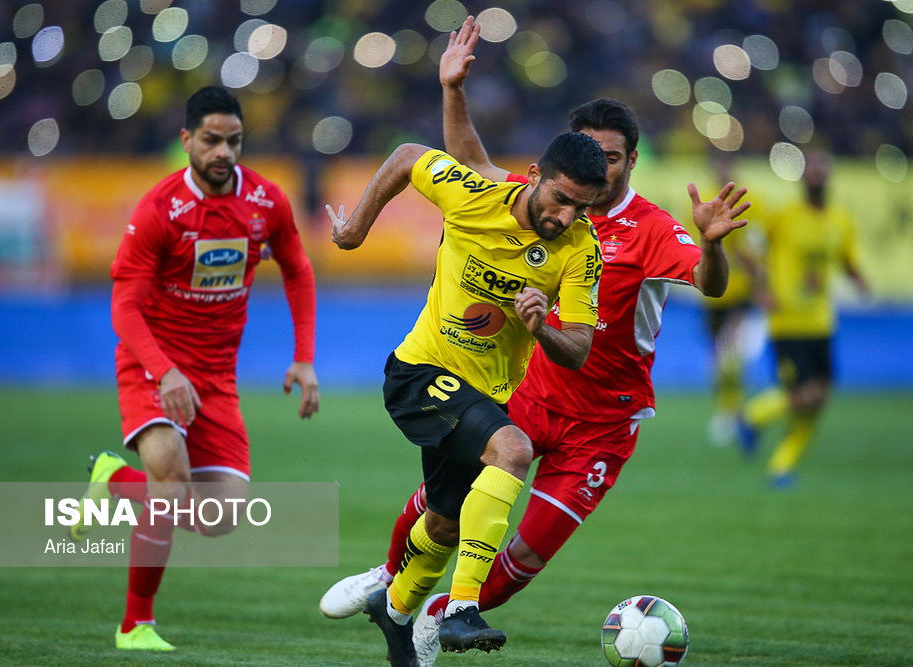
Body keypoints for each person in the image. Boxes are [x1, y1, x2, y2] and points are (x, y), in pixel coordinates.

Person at [319, 16, 750, 666]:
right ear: (550, 166)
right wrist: (452, 93)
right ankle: (395, 583)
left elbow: (709, 285)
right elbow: (460, 162)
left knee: (520, 556)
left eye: (608, 162)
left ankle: (426, 610)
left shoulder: (636, 232)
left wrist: (714, 246)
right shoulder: (515, 198)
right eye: (585, 159)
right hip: (527, 391)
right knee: (451, 500)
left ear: (629, 162)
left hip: (602, 420)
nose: (594, 177)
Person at [326, 126, 607, 666]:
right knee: (514, 449)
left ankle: (396, 610)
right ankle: (460, 609)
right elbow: (407, 156)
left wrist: (541, 326)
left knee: (444, 524)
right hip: (419, 373)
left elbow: (577, 349)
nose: (567, 217)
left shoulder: (579, 249)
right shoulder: (474, 194)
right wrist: (356, 230)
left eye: (583, 207)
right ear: (533, 178)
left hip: (481, 396)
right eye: (561, 199)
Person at [69, 86, 320, 650]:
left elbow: (298, 271)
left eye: (233, 140)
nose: (223, 152)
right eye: (211, 140)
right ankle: (136, 625)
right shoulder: (159, 210)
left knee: (222, 517)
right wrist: (163, 371)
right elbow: (124, 307)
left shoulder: (265, 202)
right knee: (171, 480)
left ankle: (113, 478)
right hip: (153, 366)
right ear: (187, 140)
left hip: (216, 377)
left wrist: (304, 359)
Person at [736, 148, 868, 487]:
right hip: (787, 320)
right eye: (811, 172)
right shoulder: (785, 217)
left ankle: (782, 467)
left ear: (829, 178)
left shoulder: (840, 220)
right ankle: (752, 416)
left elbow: (846, 259)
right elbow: (751, 251)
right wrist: (761, 289)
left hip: (821, 321)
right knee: (803, 395)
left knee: (818, 399)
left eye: (821, 171)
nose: (816, 177)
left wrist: (859, 280)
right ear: (803, 181)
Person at [701, 153, 765, 446]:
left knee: (730, 360)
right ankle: (729, 409)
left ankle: (731, 414)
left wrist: (759, 287)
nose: (722, 168)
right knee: (719, 362)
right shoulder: (702, 205)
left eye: (727, 164)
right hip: (711, 296)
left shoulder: (748, 205)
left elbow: (755, 252)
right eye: (718, 163)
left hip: (738, 295)